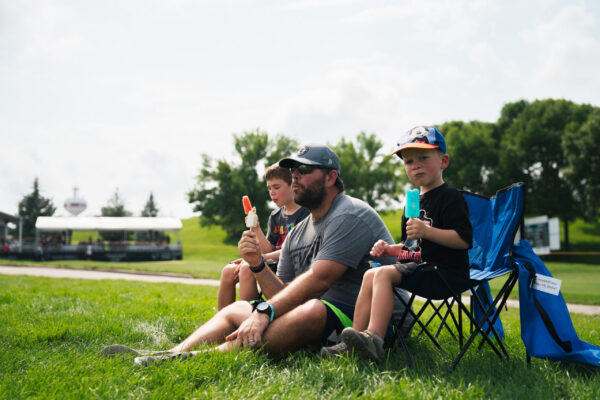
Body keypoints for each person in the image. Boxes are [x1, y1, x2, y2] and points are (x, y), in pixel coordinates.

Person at [101, 144, 411, 364]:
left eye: (304, 170)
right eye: (292, 171)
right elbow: (286, 295)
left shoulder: (350, 213)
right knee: (239, 308)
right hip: (319, 314)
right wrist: (259, 266)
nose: (295, 178)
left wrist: (264, 313)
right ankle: (169, 354)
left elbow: (318, 281)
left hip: (368, 326)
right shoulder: (298, 233)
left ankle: (193, 360)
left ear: (330, 178)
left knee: (312, 308)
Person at [321, 126, 473, 362]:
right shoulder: (412, 203)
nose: (415, 165)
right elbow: (411, 247)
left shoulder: (451, 197)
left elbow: (463, 241)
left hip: (445, 272)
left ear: (444, 161)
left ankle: (374, 341)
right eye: (409, 161)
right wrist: (389, 249)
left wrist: (427, 231)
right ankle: (354, 341)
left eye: (423, 157)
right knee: (370, 274)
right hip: (420, 267)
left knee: (381, 275)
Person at [217, 163, 310, 310]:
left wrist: (258, 260)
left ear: (292, 185)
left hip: (291, 266)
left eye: (276, 187)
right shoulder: (275, 216)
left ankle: (245, 319)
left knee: (247, 268)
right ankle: (221, 323)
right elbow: (268, 249)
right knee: (229, 271)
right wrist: (257, 228)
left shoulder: (305, 214)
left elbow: (291, 250)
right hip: (272, 262)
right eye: (269, 188)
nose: (271, 193)